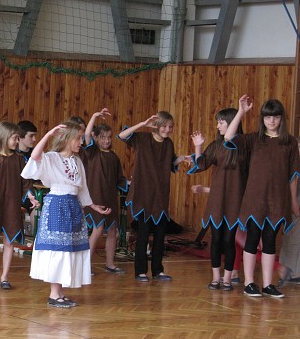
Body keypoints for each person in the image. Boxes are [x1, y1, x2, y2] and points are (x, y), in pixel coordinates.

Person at [22, 122, 111, 307]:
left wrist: (93, 206)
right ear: (67, 139)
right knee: (57, 249)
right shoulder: (52, 157)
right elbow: (35, 156)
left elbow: (82, 187)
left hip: (73, 205)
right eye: (78, 138)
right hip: (57, 204)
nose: (81, 142)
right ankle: (54, 294)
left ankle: (59, 292)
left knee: (69, 248)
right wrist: (48, 134)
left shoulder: (77, 161)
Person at [224, 96, 300, 298]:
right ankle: (250, 283)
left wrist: (293, 201)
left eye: (275, 117)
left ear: (281, 118)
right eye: (267, 117)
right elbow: (229, 137)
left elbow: (293, 176)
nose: (271, 121)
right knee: (252, 240)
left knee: (269, 242)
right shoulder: (254, 139)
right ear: (263, 119)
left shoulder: (290, 142)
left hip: (277, 200)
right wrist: (241, 112)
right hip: (255, 199)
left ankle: (267, 284)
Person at [118, 111, 189, 282]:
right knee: (143, 234)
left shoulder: (169, 143)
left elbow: (170, 163)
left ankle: (158, 270)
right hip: (143, 194)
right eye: (164, 126)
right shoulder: (143, 139)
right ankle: (140, 271)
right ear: (157, 126)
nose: (167, 130)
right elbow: (122, 135)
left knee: (160, 235)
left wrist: (181, 159)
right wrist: (143, 123)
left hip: (160, 196)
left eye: (170, 127)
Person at [188, 108, 248, 291]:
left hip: (235, 200)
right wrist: (198, 146)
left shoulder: (245, 146)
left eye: (221, 122)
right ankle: (215, 278)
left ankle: (228, 279)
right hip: (217, 200)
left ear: (231, 122)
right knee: (216, 239)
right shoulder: (215, 146)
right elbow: (201, 164)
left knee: (229, 240)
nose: (217, 126)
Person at [0, 121, 38, 290]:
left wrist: (31, 196)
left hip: (11, 204)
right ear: (3, 136)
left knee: (10, 241)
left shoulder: (19, 159)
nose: (17, 141)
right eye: (15, 138)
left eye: (18, 138)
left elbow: (26, 182)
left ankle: (4, 277)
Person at [83, 111, 127, 274]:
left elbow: (119, 178)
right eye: (103, 137)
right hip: (95, 196)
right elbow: (87, 134)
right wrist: (94, 116)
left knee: (112, 231)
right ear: (96, 138)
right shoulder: (92, 152)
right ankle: (85, 265)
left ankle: (110, 263)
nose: (107, 140)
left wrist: (127, 183)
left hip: (109, 197)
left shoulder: (114, 157)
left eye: (109, 137)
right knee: (98, 229)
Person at [279, 138, 300, 285]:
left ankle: (286, 269)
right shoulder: (293, 162)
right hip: (294, 202)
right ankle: (292, 272)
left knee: (292, 236)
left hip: (291, 201)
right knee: (294, 237)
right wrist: (294, 204)